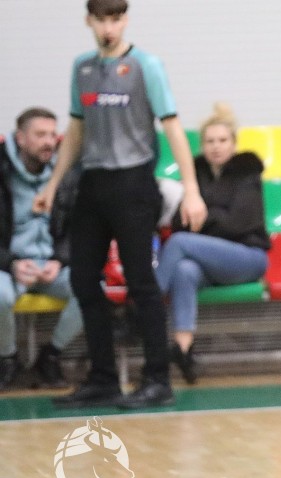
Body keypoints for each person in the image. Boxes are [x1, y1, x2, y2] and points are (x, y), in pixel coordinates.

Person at [34, 0, 207, 409]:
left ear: (125, 21)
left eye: (115, 19)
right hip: (93, 184)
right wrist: (53, 184)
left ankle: (158, 380)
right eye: (101, 20)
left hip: (134, 183)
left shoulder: (147, 66)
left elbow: (172, 126)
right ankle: (103, 379)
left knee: (141, 283)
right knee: (82, 280)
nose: (108, 28)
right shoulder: (82, 67)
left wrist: (192, 189)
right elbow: (76, 128)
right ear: (89, 22)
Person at [156, 103, 270, 384]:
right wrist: (214, 217)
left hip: (248, 257)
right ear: (202, 145)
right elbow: (180, 221)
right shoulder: (194, 175)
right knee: (184, 270)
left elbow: (239, 223)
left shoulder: (247, 172)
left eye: (222, 140)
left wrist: (204, 215)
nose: (216, 146)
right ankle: (183, 349)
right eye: (210, 141)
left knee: (180, 243)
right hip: (209, 261)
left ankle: (145, 308)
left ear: (233, 143)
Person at [0, 107, 84, 392]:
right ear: (20, 138)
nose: (49, 142)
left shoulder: (67, 172)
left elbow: (78, 227)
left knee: (90, 289)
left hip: (51, 266)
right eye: (40, 135)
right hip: (8, 266)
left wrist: (60, 260)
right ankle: (7, 358)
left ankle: (50, 356)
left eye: (52, 134)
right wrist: (11, 263)